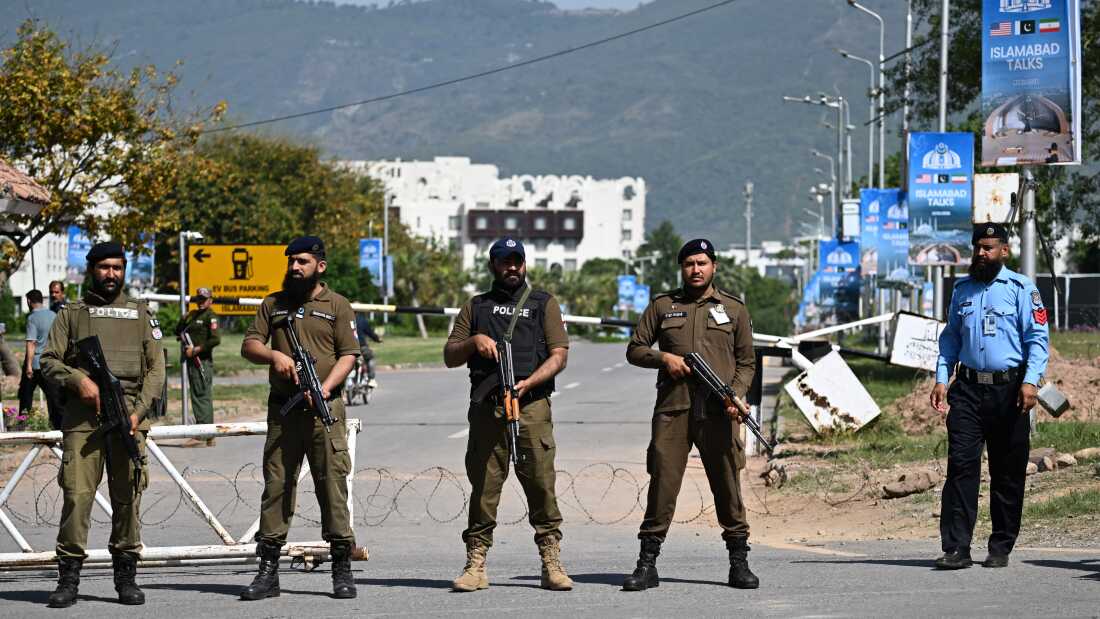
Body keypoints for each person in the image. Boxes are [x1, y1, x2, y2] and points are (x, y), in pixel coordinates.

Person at [621, 238, 758, 591]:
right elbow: (635, 349)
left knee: (728, 486)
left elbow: (746, 362)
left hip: (719, 411)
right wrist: (664, 358)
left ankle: (738, 563)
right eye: (689, 264)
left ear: (714, 266)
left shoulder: (734, 309)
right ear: (681, 268)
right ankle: (647, 564)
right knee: (663, 485)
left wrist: (737, 395)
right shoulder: (664, 306)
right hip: (674, 409)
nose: (695, 269)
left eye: (702, 263)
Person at [39, 242, 166, 607]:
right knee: (77, 498)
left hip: (128, 420)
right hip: (84, 421)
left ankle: (126, 577)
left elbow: (156, 369)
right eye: (104, 267)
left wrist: (138, 413)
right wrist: (79, 381)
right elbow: (48, 360)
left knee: (128, 499)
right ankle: (68, 578)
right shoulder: (73, 314)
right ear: (91, 269)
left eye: (117, 267)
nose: (111, 274)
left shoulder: (141, 314)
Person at [443, 237, 572, 592]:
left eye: (517, 261)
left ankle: (551, 560)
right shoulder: (477, 307)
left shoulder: (543, 303)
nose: (512, 267)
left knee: (541, 486)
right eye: (504, 261)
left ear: (525, 264)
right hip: (488, 410)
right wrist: (474, 342)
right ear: (493, 266)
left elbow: (559, 355)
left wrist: (529, 383)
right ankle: (476, 563)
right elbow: (450, 354)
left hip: (531, 408)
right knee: (484, 488)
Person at [239, 236, 360, 601]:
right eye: (292, 261)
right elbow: (249, 345)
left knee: (332, 486)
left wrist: (324, 388)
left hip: (325, 411)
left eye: (303, 261)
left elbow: (348, 355)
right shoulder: (273, 304)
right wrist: (274, 357)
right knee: (277, 486)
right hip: (284, 410)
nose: (295, 267)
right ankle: (268, 571)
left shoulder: (337, 305)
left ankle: (342, 568)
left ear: (320, 266)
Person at [930, 223, 1049, 570]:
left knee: (1007, 471)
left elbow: (1037, 340)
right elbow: (951, 337)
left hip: (1009, 391)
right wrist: (941, 376)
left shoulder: (1021, 288)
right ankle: (957, 548)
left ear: (1004, 251)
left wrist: (1030, 383)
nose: (982, 254)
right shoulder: (962, 289)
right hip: (967, 389)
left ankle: (1000, 545)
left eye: (989, 248)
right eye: (978, 247)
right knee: (961, 466)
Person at [176, 287, 221, 447]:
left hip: (201, 361)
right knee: (201, 396)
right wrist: (183, 319)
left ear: (210, 300)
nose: (201, 302)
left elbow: (215, 340)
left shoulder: (211, 316)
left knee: (201, 397)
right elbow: (178, 331)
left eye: (204, 299)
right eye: (199, 299)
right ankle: (209, 435)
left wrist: (196, 349)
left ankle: (202, 436)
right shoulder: (193, 315)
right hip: (192, 362)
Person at [18, 290, 62, 430]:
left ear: (29, 301)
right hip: (50, 363)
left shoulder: (32, 318)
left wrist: (29, 366)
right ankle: (57, 427)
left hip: (36, 363)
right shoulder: (54, 315)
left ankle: (22, 425)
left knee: (26, 397)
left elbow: (31, 342)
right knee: (53, 398)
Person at [355, 312, 382, 388]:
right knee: (370, 358)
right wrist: (377, 339)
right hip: (361, 346)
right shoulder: (361, 320)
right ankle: (371, 378)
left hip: (347, 347)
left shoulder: (344, 319)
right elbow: (370, 333)